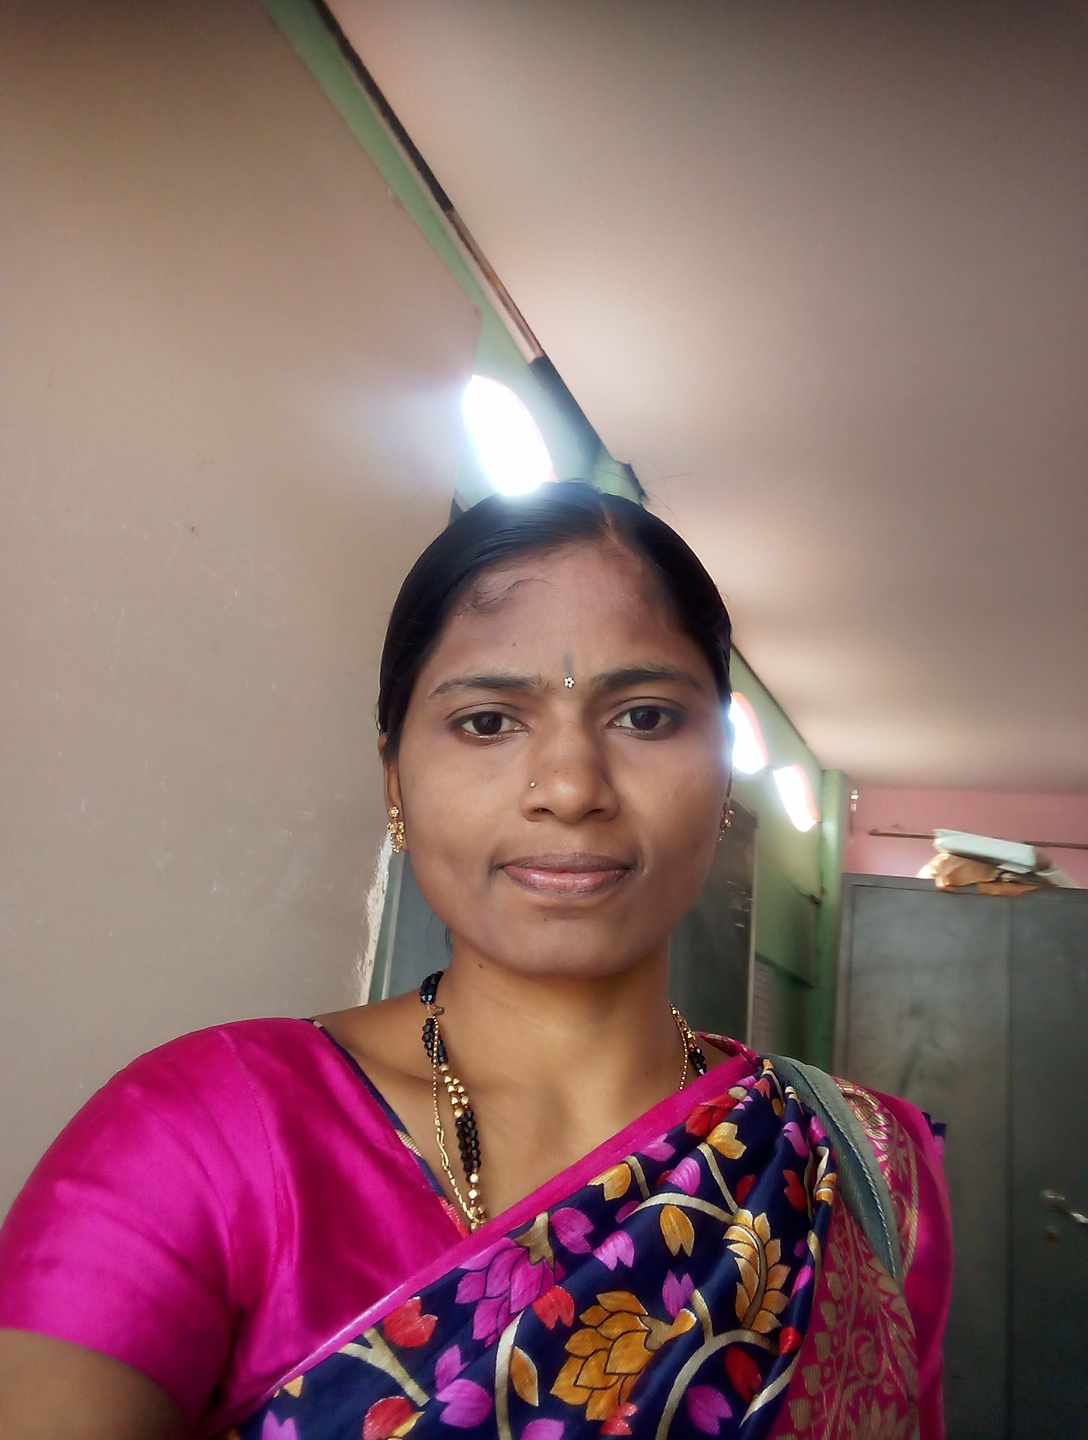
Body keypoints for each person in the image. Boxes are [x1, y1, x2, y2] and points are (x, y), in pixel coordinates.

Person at [0, 482, 951, 1438]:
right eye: (490, 721)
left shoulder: (855, 1166)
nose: (571, 788)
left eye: (646, 717)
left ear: (722, 776)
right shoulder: (206, 1141)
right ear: (395, 779)